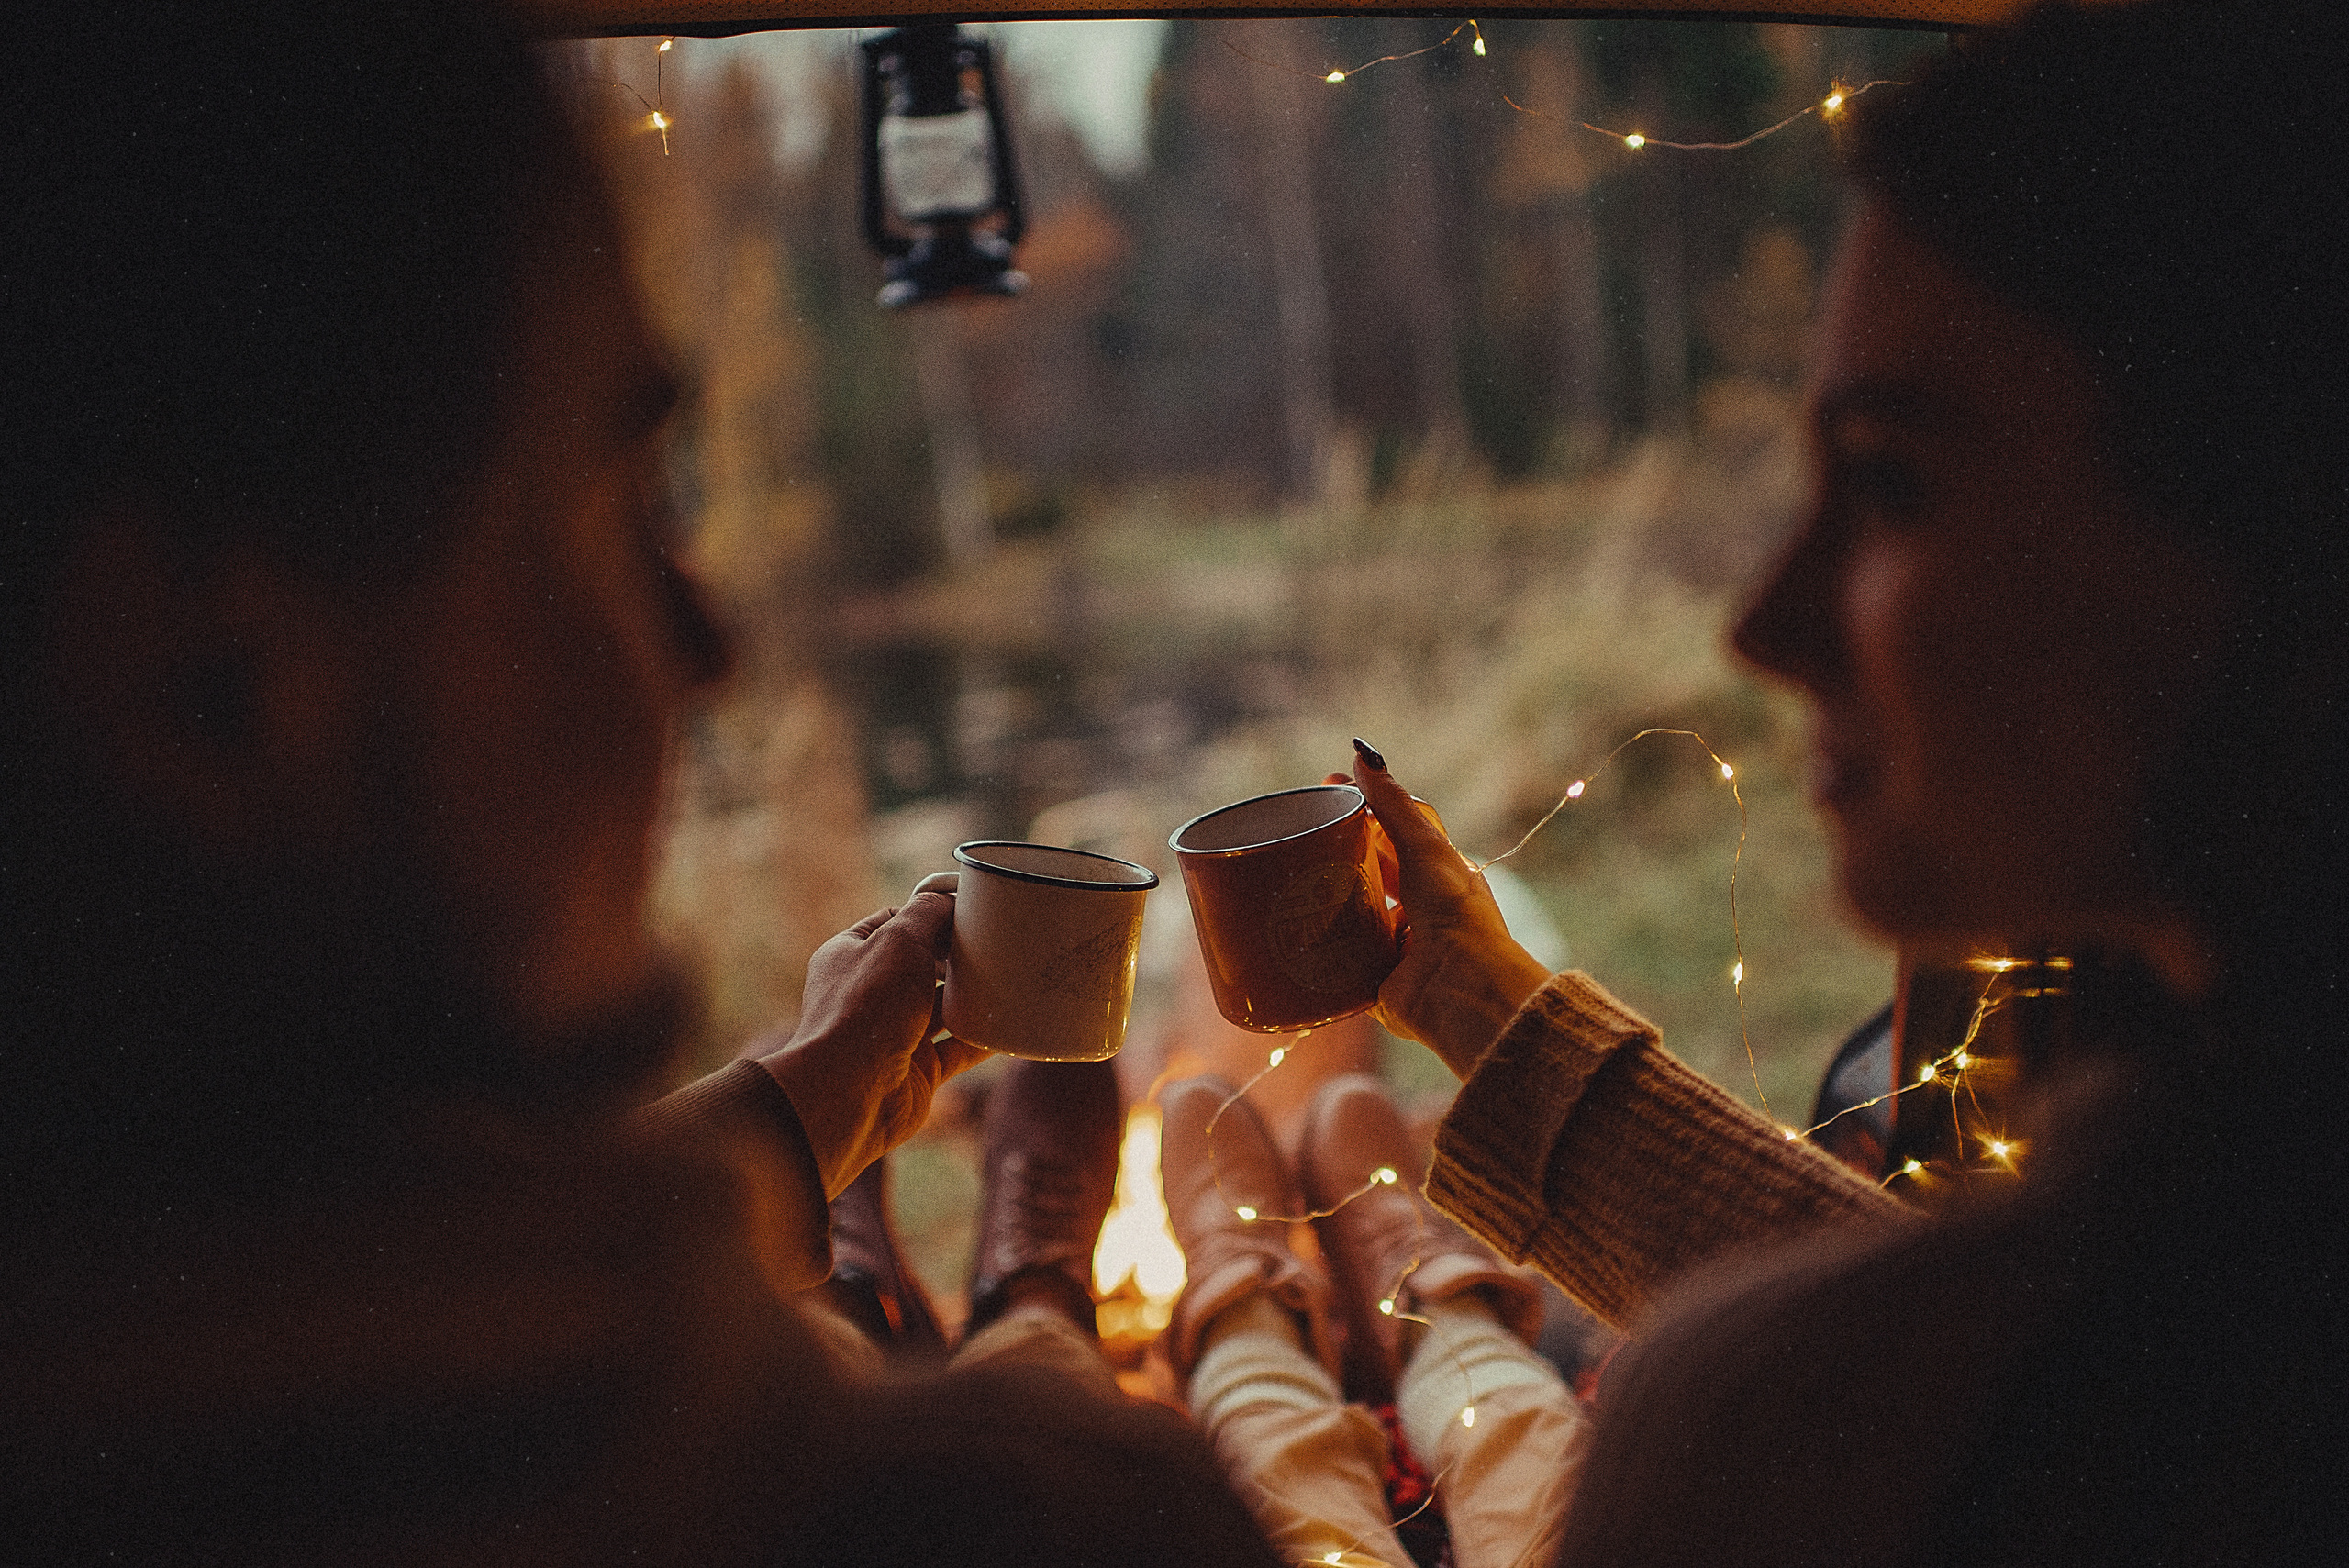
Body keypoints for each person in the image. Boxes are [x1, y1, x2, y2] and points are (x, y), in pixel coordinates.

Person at [0, 6, 1283, 1563]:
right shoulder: (995, 1518)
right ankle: (1033, 1286)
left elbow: (356, 1290)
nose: (707, 645)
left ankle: (886, 1256)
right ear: (204, 679)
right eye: (624, 505)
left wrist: (789, 1123)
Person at [1231, 5, 2345, 1563]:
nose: (1760, 625)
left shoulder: (1812, 1419)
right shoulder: (2200, 1131)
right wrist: (1474, 998)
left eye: (1889, 480)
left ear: (2276, 525)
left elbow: (1966, 1388)